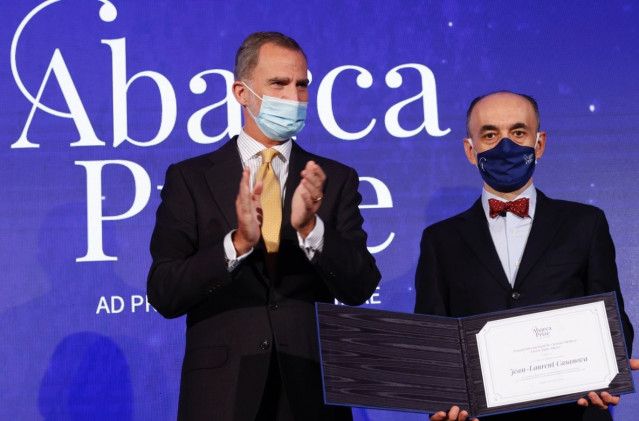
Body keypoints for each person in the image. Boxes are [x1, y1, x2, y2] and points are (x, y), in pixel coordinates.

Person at [147, 32, 381, 421]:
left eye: (302, 85)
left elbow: (360, 286)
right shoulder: (189, 179)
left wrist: (311, 229)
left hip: (311, 391)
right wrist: (237, 243)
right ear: (242, 92)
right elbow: (164, 291)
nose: (294, 97)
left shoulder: (334, 179)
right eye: (278, 84)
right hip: (222, 393)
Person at [413, 91, 635, 421]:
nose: (506, 147)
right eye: (490, 135)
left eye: (518, 133)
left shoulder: (585, 224)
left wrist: (608, 372)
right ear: (470, 150)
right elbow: (432, 337)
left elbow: (611, 316)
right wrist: (446, 399)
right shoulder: (440, 240)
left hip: (576, 413)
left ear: (539, 143)